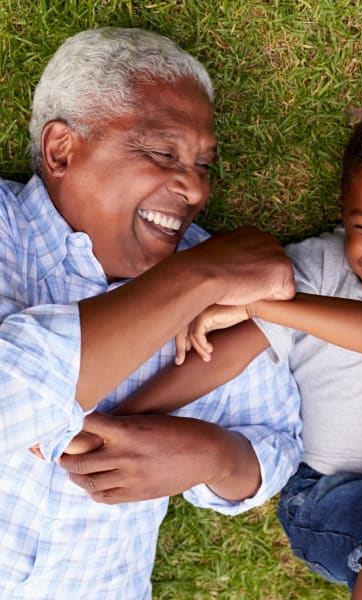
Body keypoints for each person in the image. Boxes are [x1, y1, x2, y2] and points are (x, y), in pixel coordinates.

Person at [93, 105, 362, 600]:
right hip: (327, 494)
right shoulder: (316, 267)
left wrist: (262, 302)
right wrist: (123, 417)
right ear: (345, 211)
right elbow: (227, 355)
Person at [0, 27, 303, 598]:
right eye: (163, 153)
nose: (194, 189)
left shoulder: (219, 281)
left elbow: (276, 443)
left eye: (204, 165)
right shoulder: (210, 271)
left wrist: (212, 456)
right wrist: (195, 278)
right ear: (61, 149)